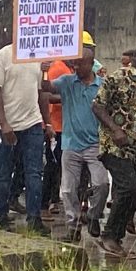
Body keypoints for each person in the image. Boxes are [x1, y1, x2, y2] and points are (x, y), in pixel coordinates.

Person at [92, 43, 136, 258]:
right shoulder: (117, 78)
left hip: (135, 150)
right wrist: (115, 129)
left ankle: (116, 238)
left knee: (133, 192)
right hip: (114, 145)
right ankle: (109, 236)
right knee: (127, 188)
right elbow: (97, 106)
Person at [44, 48, 110, 243]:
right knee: (67, 189)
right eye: (75, 63)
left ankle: (93, 216)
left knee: (101, 184)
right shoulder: (67, 82)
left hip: (95, 145)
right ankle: (73, 227)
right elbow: (46, 87)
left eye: (80, 63)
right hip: (71, 144)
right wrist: (43, 71)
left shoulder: (103, 86)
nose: (76, 67)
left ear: (91, 64)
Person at [0, 44, 55, 235]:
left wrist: (47, 122)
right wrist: (4, 124)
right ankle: (0, 215)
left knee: (34, 172)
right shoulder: (2, 56)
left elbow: (41, 93)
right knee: (3, 172)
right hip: (6, 125)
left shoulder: (37, 57)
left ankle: (34, 219)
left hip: (32, 123)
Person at [40, 58, 73, 221]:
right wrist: (69, 97)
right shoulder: (59, 68)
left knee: (60, 166)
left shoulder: (69, 68)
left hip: (67, 126)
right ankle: (44, 204)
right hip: (56, 126)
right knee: (53, 166)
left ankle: (54, 199)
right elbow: (46, 94)